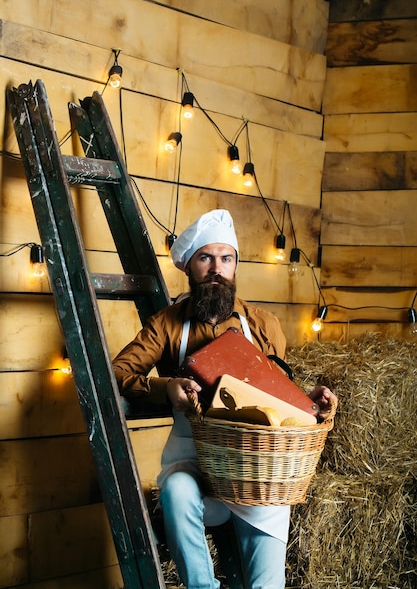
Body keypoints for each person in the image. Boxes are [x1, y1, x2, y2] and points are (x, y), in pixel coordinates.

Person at [113, 209, 337, 589]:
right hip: (193, 460)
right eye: (206, 258)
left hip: (254, 471)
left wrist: (310, 404)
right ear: (190, 268)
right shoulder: (167, 324)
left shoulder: (263, 324)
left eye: (226, 258)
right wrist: (165, 388)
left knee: (267, 584)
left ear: (235, 266)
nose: (217, 268)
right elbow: (119, 371)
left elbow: (279, 391)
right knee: (175, 490)